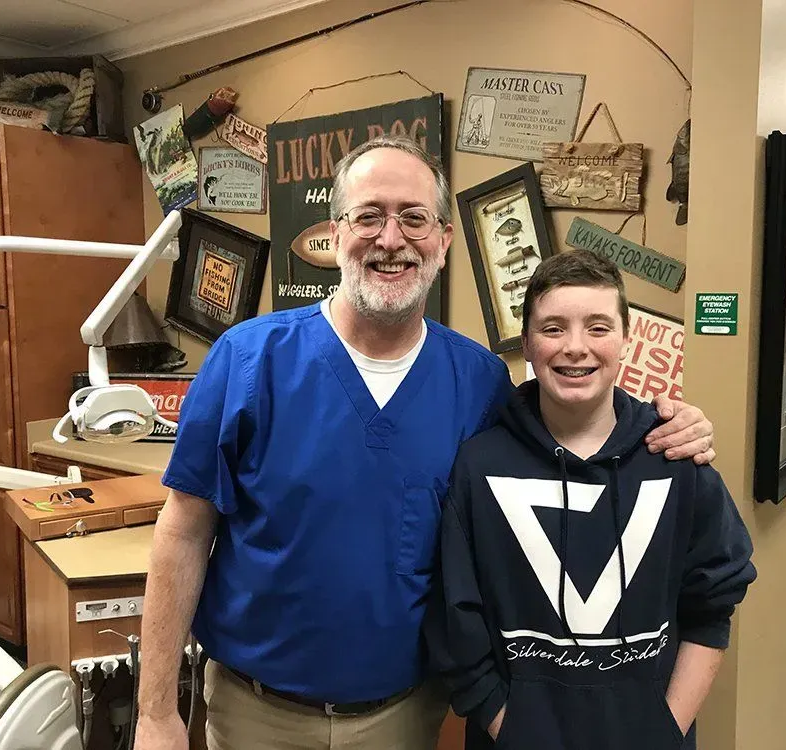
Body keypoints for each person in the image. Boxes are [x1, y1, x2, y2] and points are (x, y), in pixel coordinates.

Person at [133, 135, 717, 750]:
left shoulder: (480, 382)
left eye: (413, 218)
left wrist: (668, 422)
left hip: (408, 715)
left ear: (442, 240)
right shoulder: (247, 362)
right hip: (257, 712)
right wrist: (155, 711)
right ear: (336, 234)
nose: (391, 239)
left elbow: (579, 430)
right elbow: (184, 532)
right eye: (369, 216)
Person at [424, 251, 756, 750]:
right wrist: (511, 730)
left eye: (598, 327)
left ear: (626, 338)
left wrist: (665, 730)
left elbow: (713, 605)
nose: (575, 347)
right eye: (553, 328)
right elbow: (457, 622)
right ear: (528, 343)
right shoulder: (478, 464)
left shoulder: (676, 457)